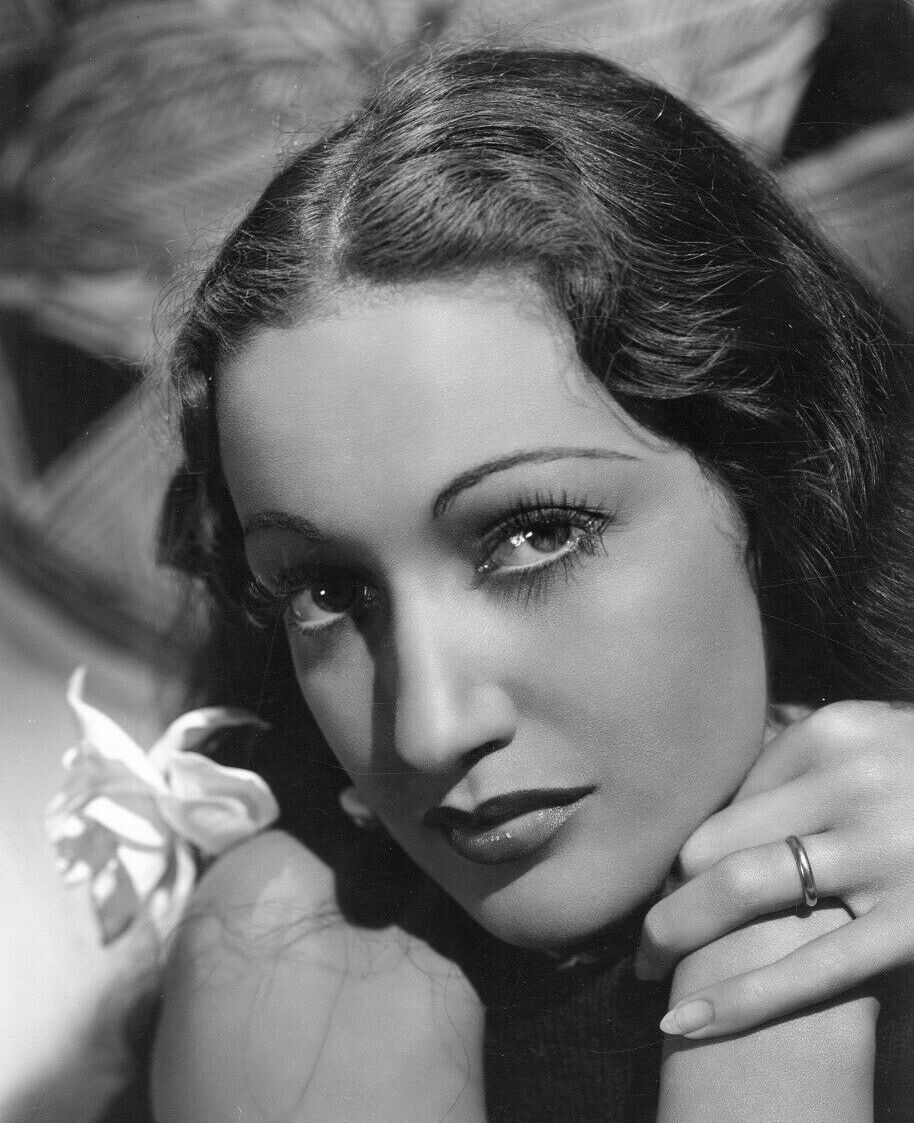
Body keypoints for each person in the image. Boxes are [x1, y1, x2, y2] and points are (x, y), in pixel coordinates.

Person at [150, 47, 914, 1122]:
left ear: (774, 477)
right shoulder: (299, 955)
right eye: (326, 591)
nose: (429, 727)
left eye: (534, 534)